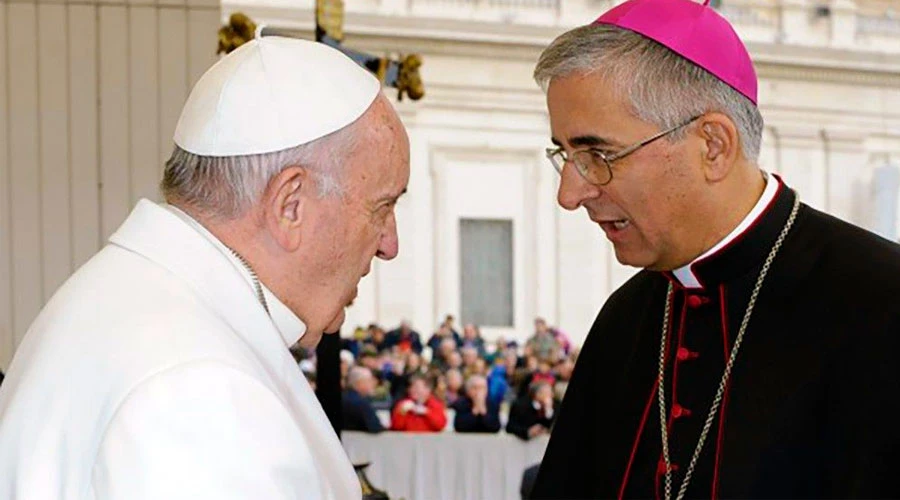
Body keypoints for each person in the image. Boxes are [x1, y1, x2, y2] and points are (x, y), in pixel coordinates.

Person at [0, 37, 410, 499]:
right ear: (290, 205)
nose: (390, 245)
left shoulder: (136, 302)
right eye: (382, 207)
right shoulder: (199, 390)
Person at [530, 0, 900, 498]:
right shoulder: (625, 319)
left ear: (713, 146)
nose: (569, 195)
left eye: (597, 155)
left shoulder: (881, 303)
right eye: (565, 155)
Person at [342, 367, 384, 434]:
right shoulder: (361, 403)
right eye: (369, 380)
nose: (373, 383)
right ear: (360, 382)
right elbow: (375, 427)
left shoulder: (344, 397)